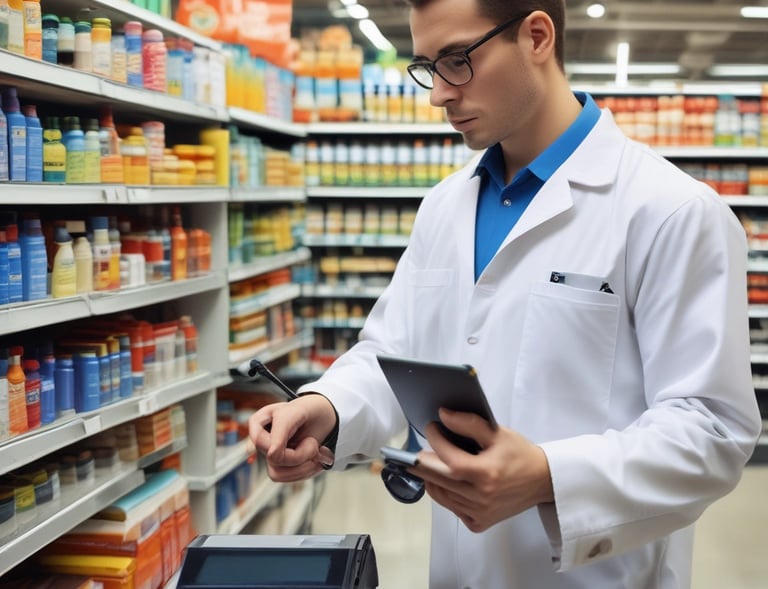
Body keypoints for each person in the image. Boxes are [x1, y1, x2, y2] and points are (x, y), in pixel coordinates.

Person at [249, 0, 762, 586]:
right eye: (426, 66)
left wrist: (547, 475)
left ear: (537, 37)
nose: (438, 94)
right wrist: (329, 406)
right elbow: (391, 353)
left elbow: (711, 429)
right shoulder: (444, 207)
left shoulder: (671, 211)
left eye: (457, 60)